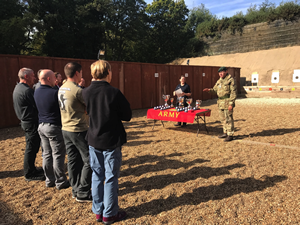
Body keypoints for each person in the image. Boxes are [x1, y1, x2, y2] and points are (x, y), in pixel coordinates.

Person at [82, 60, 132, 224]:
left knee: (97, 175)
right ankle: (109, 214)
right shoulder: (113, 92)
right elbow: (127, 115)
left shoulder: (86, 92)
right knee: (110, 177)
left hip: (94, 139)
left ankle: (98, 211)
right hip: (110, 140)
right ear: (108, 72)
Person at [58, 62, 92, 202]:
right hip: (78, 129)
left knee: (73, 160)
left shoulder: (62, 87)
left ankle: (75, 189)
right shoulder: (78, 90)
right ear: (77, 73)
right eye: (82, 72)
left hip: (65, 128)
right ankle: (83, 192)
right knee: (89, 160)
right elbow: (88, 107)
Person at [34, 69, 70, 189]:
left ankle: (49, 180)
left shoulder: (37, 91)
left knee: (47, 154)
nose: (56, 79)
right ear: (49, 79)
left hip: (41, 126)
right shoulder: (55, 93)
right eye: (54, 78)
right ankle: (60, 181)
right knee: (58, 154)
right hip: (53, 126)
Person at [12, 68, 45, 181]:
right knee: (31, 148)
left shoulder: (18, 88)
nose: (34, 78)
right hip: (30, 122)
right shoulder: (27, 91)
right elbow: (37, 105)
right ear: (26, 77)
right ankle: (29, 174)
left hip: (26, 122)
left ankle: (32, 168)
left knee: (33, 146)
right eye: (32, 76)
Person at [203, 66, 237, 142]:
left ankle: (230, 134)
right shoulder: (219, 81)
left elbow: (233, 92)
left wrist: (231, 104)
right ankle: (225, 132)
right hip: (220, 102)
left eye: (222, 72)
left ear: (226, 71)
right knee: (223, 119)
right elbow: (214, 90)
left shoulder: (230, 80)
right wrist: (209, 90)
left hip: (227, 101)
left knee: (228, 118)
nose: (220, 74)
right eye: (219, 73)